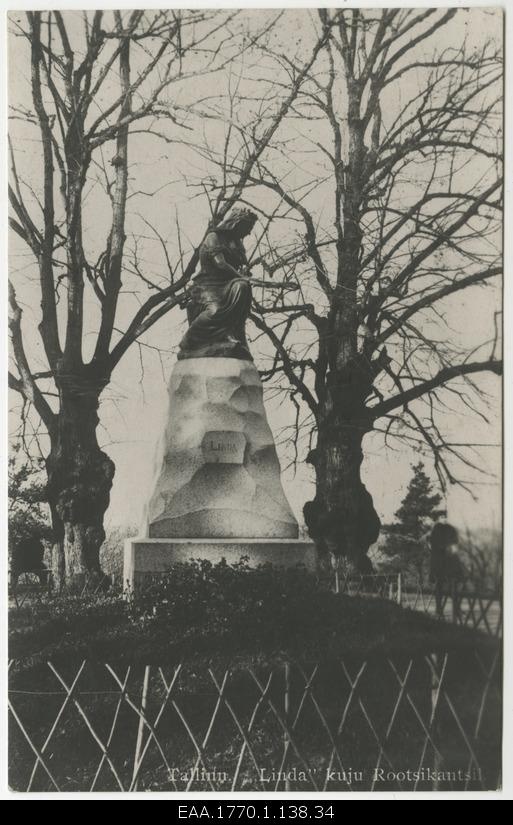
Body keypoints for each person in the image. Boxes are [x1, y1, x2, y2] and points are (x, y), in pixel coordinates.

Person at [178, 207, 297, 360]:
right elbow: (220, 263)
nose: (248, 233)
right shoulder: (213, 237)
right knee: (215, 310)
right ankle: (189, 340)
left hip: (229, 283)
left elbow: (242, 269)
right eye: (247, 228)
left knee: (242, 287)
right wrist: (241, 276)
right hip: (207, 286)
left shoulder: (238, 244)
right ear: (236, 223)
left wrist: (245, 274)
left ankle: (229, 334)